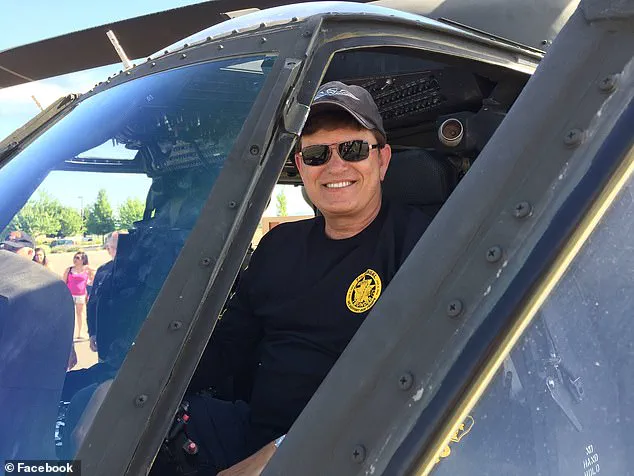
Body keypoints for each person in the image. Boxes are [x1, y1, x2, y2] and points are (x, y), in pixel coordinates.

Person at [181, 81, 433, 476]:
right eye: (317, 154)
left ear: (382, 160)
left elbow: (412, 381)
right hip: (253, 435)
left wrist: (282, 452)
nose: (335, 166)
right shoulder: (278, 247)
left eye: (353, 149)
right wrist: (143, 389)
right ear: (301, 168)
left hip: (361, 450)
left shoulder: (422, 244)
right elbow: (226, 349)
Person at [87, 232, 119, 355]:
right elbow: (93, 303)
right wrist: (92, 332)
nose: (117, 251)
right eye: (113, 248)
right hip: (105, 336)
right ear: (108, 249)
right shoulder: (103, 271)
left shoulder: (138, 270)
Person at [63, 251, 95, 340]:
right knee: (69, 314)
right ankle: (68, 332)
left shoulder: (86, 270)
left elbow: (93, 280)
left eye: (78, 258)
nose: (75, 259)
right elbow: (64, 281)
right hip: (69, 294)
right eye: (75, 257)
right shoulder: (69, 269)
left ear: (83, 260)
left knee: (79, 314)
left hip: (81, 295)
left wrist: (89, 269)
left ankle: (80, 332)